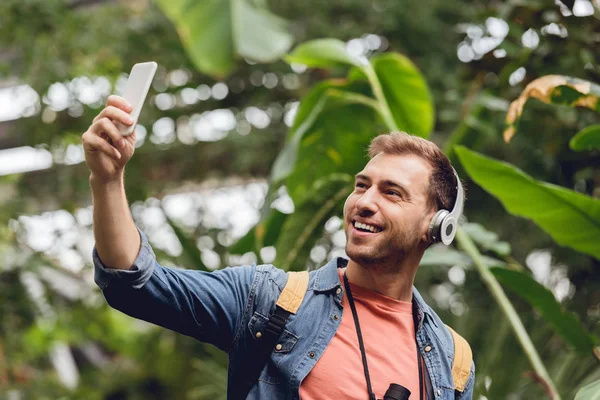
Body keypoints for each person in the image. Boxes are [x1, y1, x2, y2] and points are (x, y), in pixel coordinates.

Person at [82, 95, 475, 400]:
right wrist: (107, 179)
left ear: (436, 227)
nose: (365, 201)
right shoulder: (269, 300)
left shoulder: (452, 360)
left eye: (392, 193)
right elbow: (135, 283)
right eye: (361, 185)